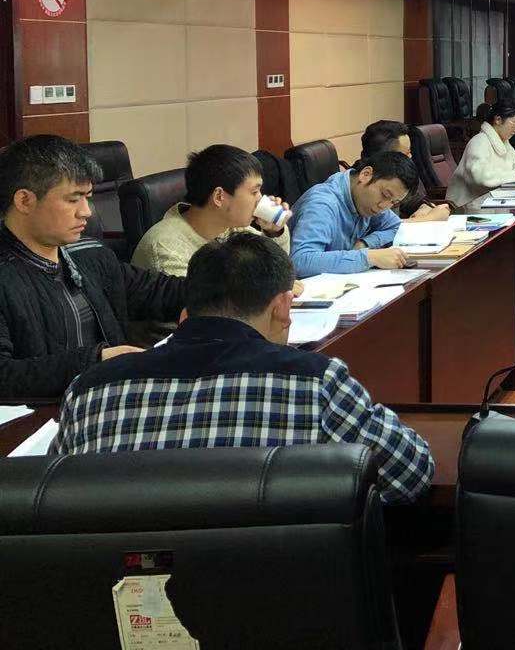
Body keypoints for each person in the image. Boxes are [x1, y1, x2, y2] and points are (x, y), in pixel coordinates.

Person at [55, 234, 434, 503]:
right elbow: (410, 472)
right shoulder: (315, 382)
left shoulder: (88, 390)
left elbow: (50, 496)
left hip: (123, 590)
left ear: (186, 314)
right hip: (281, 586)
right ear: (282, 307)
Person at [0, 135, 185, 399]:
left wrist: (225, 287)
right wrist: (97, 360)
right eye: (73, 199)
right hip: (43, 418)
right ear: (24, 201)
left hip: (111, 403)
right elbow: (5, 375)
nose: (86, 211)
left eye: (87, 197)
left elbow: (159, 291)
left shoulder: (89, 254)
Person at [131, 145, 290, 277]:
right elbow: (204, 302)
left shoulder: (230, 228)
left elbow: (280, 271)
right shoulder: (165, 249)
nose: (260, 199)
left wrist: (273, 231)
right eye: (254, 192)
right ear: (219, 197)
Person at [289, 150, 418, 277]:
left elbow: (396, 227)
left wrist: (365, 243)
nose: (384, 206)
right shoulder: (322, 204)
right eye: (385, 195)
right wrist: (369, 257)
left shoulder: (366, 199)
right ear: (366, 174)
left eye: (393, 202)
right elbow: (300, 261)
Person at [448, 98, 515, 212]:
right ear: (498, 120)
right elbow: (481, 177)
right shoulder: (479, 142)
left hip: (491, 203)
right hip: (468, 208)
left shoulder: (504, 142)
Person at [358, 120, 450, 223]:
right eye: (405, 154)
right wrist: (428, 218)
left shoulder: (395, 177)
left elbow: (415, 201)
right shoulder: (363, 185)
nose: (410, 157)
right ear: (386, 156)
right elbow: (381, 227)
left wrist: (424, 208)